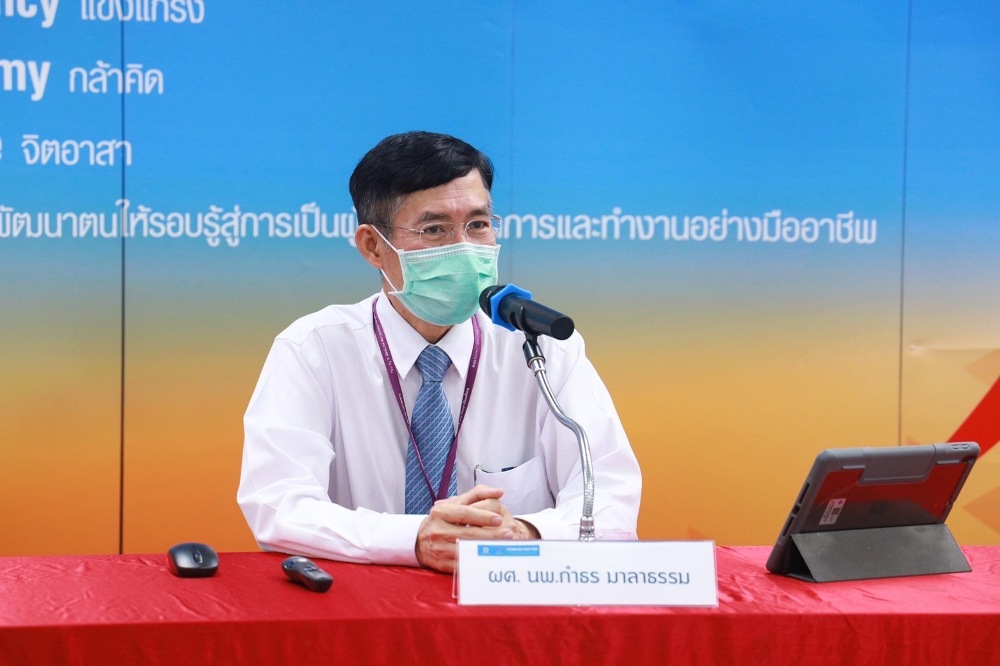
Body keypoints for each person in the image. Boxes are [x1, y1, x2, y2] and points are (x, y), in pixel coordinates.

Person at [237, 131, 641, 573]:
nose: (464, 248)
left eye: (478, 224)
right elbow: (278, 505)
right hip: (365, 605)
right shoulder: (314, 350)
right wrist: (414, 540)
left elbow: (611, 501)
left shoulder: (539, 349)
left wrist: (523, 533)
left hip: (509, 600)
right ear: (373, 246)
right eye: (434, 229)